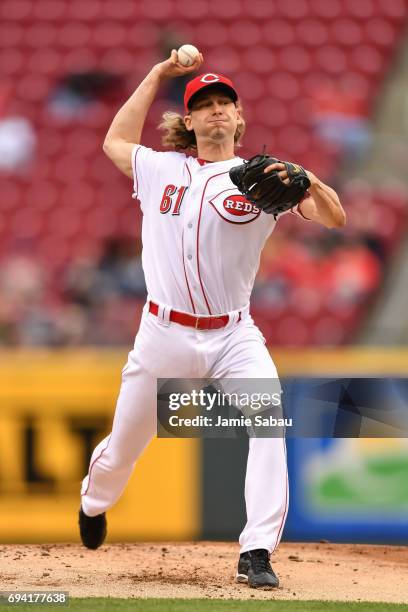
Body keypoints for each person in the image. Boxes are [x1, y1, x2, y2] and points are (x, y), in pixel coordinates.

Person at [78, 50, 346, 589]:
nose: (217, 110)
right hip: (162, 334)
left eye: (226, 102)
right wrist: (156, 74)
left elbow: (336, 219)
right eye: (205, 104)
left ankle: (256, 551)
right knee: (121, 449)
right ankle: (94, 500)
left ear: (240, 117)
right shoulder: (160, 169)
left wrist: (308, 180)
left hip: (233, 334)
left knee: (267, 422)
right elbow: (113, 142)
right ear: (191, 120)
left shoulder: (261, 179)